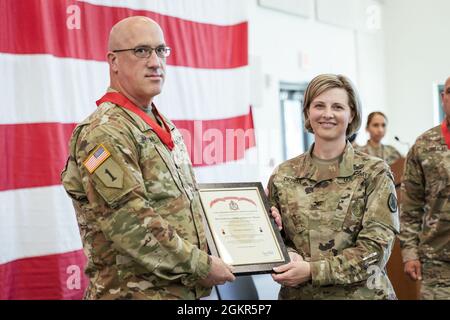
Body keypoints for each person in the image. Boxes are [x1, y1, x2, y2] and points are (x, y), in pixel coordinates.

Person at [61, 16, 235, 300]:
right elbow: (129, 220)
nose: (155, 62)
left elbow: (180, 207)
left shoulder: (158, 123)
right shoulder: (105, 131)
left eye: (160, 50)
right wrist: (201, 265)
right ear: (113, 61)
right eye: (141, 51)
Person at [268, 74, 399, 299]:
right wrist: (284, 250)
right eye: (319, 105)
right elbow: (276, 240)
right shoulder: (283, 175)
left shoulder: (374, 173)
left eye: (337, 107)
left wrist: (312, 270)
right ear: (308, 112)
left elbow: (375, 250)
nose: (327, 114)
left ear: (352, 115)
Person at [399, 77, 450, 300]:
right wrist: (409, 253)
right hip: (438, 264)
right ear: (443, 98)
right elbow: (410, 206)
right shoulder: (424, 145)